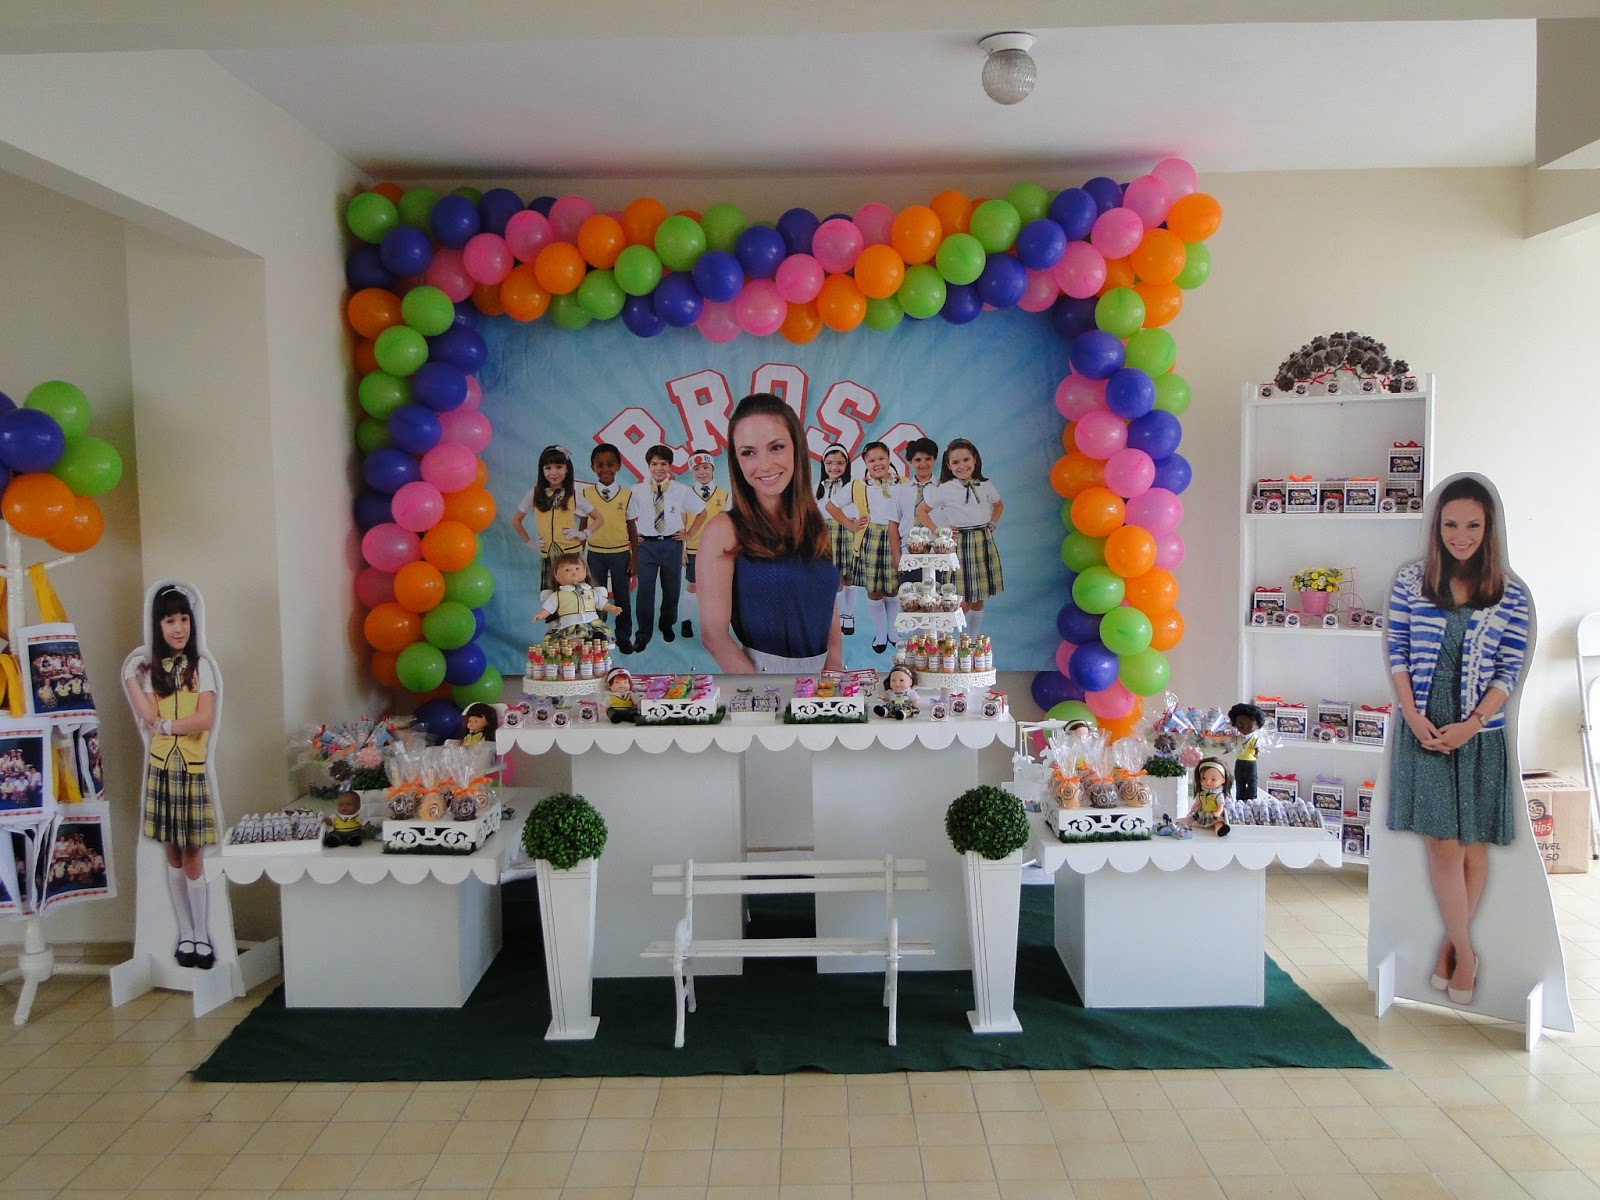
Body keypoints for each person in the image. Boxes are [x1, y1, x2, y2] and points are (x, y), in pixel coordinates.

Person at [1386, 474, 1528, 1006]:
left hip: (1478, 732)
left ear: (1488, 529)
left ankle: (1451, 947)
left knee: (1472, 846)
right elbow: (1398, 651)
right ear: (1437, 527)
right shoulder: (1410, 581)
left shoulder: (1509, 594)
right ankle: (1468, 957)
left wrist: (1472, 724)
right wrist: (1411, 715)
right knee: (1443, 845)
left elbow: (1508, 670)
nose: (1460, 536)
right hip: (1423, 725)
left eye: (1472, 525)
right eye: (1450, 524)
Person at [698, 393, 843, 674]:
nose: (764, 465)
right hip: (759, 679)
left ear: (796, 448)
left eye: (776, 447)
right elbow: (713, 636)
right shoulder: (723, 530)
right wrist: (762, 692)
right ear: (736, 461)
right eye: (748, 452)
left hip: (824, 684)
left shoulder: (815, 524)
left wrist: (834, 669)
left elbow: (827, 604)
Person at [122, 584, 219, 971]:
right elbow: (147, 715)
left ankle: (203, 934)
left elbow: (204, 718)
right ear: (158, 625)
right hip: (161, 769)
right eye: (169, 620)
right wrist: (131, 677)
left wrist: (167, 725)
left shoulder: (201, 667)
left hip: (190, 769)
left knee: (192, 851)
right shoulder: (153, 671)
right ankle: (187, 934)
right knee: (172, 852)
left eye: (183, 619)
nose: (178, 628)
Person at [916, 437, 1004, 640]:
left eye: (966, 460)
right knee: (959, 598)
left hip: (982, 540)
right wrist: (938, 531)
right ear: (948, 465)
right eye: (955, 462)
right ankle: (943, 637)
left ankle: (972, 640)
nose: (962, 466)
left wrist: (993, 522)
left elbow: (998, 505)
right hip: (959, 543)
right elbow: (922, 511)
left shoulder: (985, 485)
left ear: (975, 460)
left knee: (978, 597)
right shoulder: (945, 488)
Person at [625, 444, 706, 654]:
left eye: (663, 464)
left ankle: (667, 624)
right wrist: (632, 536)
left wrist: (689, 534)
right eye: (654, 464)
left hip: (672, 544)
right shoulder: (637, 490)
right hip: (646, 546)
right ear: (648, 466)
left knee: (671, 589)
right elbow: (626, 516)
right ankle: (643, 634)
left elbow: (702, 512)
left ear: (670, 466)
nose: (659, 468)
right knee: (645, 590)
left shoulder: (681, 490)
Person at [834, 441, 902, 654]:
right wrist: (851, 524)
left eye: (881, 458)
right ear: (865, 463)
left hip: (896, 538)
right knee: (874, 590)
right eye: (871, 460)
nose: (877, 463)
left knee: (893, 588)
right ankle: (880, 633)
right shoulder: (859, 485)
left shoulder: (903, 483)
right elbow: (832, 506)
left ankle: (893, 632)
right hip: (871, 538)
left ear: (889, 459)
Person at [513, 444, 604, 594]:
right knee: (551, 597)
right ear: (542, 470)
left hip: (572, 555)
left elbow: (599, 518)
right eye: (548, 468)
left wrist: (583, 534)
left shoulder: (573, 494)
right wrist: (530, 542)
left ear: (567, 468)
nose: (553, 472)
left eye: (559, 467)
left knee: (579, 596)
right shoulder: (534, 493)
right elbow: (516, 521)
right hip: (548, 556)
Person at [580, 443, 635, 652]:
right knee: (596, 597)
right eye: (600, 465)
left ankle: (623, 637)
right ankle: (598, 636)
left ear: (619, 466)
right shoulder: (586, 494)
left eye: (610, 464)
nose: (605, 469)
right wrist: (579, 554)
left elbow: (632, 527)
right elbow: (583, 524)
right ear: (593, 467)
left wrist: (635, 557)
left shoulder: (626, 495)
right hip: (595, 554)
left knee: (622, 597)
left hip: (620, 554)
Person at [680, 452, 729, 640]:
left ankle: (714, 625)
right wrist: (682, 549)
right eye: (696, 469)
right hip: (694, 548)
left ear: (713, 469)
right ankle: (686, 620)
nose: (702, 472)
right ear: (691, 472)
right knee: (692, 585)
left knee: (716, 588)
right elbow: (682, 524)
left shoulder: (724, 495)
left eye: (705, 467)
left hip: (716, 550)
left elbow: (728, 525)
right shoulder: (686, 495)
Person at [815, 443, 859, 635]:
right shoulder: (818, 487)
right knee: (836, 577)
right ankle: (838, 616)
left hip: (849, 532)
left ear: (847, 465)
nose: (834, 467)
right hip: (827, 534)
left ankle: (849, 615)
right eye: (829, 463)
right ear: (823, 464)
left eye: (840, 463)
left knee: (851, 577)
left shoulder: (853, 486)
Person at [535, 551, 622, 639]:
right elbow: (549, 608)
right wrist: (541, 614)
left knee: (599, 637)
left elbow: (602, 603)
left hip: (592, 624)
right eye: (567, 570)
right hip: (570, 625)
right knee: (574, 638)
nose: (574, 572)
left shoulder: (591, 591)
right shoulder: (558, 595)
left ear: (585, 571)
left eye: (577, 568)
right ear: (556, 576)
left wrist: (612, 608)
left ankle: (595, 640)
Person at [895, 436, 941, 587]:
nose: (923, 464)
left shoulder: (944, 489)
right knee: (910, 598)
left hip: (937, 555)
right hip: (908, 555)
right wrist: (896, 557)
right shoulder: (900, 490)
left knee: (938, 598)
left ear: (935, 460)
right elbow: (893, 525)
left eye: (928, 459)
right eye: (918, 460)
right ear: (910, 462)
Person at [1183, 756, 1232, 836]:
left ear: (1223, 780)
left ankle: (1219, 830)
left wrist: (1218, 812)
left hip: (1213, 813)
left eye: (1213, 779)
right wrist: (1192, 810)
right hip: (1202, 813)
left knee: (1218, 822)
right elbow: (1198, 803)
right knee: (1190, 820)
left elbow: (1221, 804)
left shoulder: (1218, 795)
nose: (1208, 782)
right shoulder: (1203, 793)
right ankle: (1178, 822)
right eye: (1204, 778)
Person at [1228, 701, 1266, 800]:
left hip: (1250, 762)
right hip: (1239, 761)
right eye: (1240, 725)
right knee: (1239, 781)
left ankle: (1252, 799)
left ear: (1257, 725)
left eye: (1249, 726)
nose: (1244, 727)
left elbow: (1257, 748)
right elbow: (1232, 745)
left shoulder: (1255, 739)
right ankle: (1239, 798)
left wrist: (1257, 754)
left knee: (1252, 781)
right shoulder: (1237, 738)